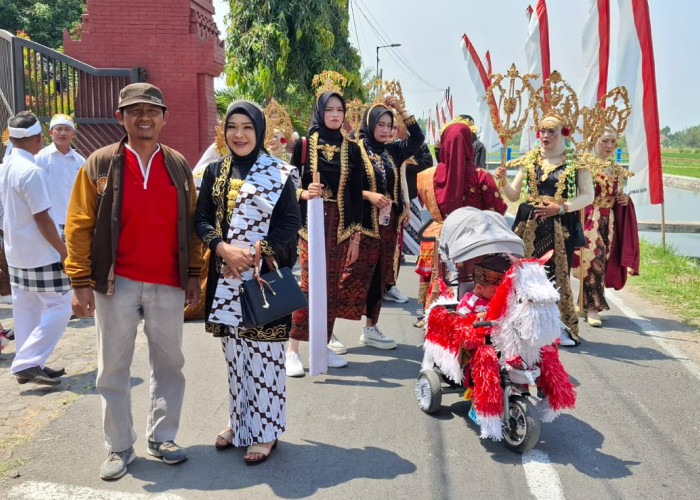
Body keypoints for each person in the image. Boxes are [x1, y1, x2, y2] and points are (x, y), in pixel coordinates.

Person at [64, 83, 203, 480]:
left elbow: (193, 225)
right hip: (115, 282)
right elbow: (78, 225)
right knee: (113, 368)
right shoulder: (100, 163)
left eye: (152, 110)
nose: (144, 116)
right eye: (135, 110)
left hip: (167, 282)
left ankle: (163, 437)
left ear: (164, 117)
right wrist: (79, 281)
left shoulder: (177, 164)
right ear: (120, 117)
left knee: (170, 363)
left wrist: (194, 274)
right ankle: (119, 446)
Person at [194, 100, 300, 463]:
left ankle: (267, 431)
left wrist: (256, 253)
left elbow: (289, 225)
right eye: (232, 127)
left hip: (263, 279)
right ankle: (239, 422)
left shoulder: (281, 173)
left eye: (247, 128)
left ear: (260, 132)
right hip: (224, 278)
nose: (239, 135)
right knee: (235, 355)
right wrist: (223, 249)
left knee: (265, 356)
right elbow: (202, 219)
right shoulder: (214, 172)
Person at [495, 114, 593, 346]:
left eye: (552, 132)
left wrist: (561, 208)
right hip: (529, 224)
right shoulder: (531, 159)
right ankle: (524, 323)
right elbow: (514, 195)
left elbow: (588, 196)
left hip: (560, 226)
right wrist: (502, 181)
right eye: (543, 131)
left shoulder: (576, 162)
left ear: (563, 134)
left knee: (556, 274)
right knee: (525, 274)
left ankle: (560, 327)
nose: (546, 136)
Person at [287, 89, 363, 375]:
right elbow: (288, 184)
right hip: (311, 224)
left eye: (339, 110)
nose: (335, 115)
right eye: (329, 109)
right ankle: (293, 350)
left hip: (341, 227)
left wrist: (356, 237)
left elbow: (355, 195)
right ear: (320, 112)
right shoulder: (304, 145)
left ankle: (322, 347)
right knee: (308, 287)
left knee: (332, 289)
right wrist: (305, 192)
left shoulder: (352, 149)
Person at [337, 96, 424, 348]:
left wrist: (401, 110)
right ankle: (327, 328)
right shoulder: (354, 149)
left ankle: (371, 328)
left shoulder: (392, 150)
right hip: (361, 226)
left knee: (378, 278)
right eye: (381, 124)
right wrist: (368, 195)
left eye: (390, 125)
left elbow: (417, 140)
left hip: (386, 227)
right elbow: (344, 187)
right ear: (369, 123)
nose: (386, 130)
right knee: (349, 276)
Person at [0, 111, 72, 386]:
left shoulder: (5, 166)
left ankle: (33, 362)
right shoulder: (31, 171)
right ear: (39, 139)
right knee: (61, 305)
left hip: (16, 249)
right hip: (40, 251)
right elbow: (42, 217)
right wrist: (63, 250)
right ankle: (27, 362)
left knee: (26, 308)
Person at [415, 121, 507, 319]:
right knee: (472, 286)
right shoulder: (481, 177)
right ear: (469, 144)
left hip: (438, 238)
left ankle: (435, 321)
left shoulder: (425, 176)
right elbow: (498, 210)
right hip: (475, 241)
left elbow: (425, 203)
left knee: (441, 282)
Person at [572, 127, 637, 327]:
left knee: (602, 260)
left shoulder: (617, 169)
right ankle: (594, 307)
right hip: (589, 218)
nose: (609, 146)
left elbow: (617, 196)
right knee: (594, 258)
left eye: (613, 142)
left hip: (608, 222)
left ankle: (582, 303)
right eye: (605, 141)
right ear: (595, 141)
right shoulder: (585, 165)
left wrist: (624, 198)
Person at [34, 114, 86, 237]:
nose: (63, 133)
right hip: (49, 222)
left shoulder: (80, 161)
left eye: (67, 129)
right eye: (59, 129)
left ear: (74, 134)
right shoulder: (40, 158)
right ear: (51, 132)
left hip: (73, 222)